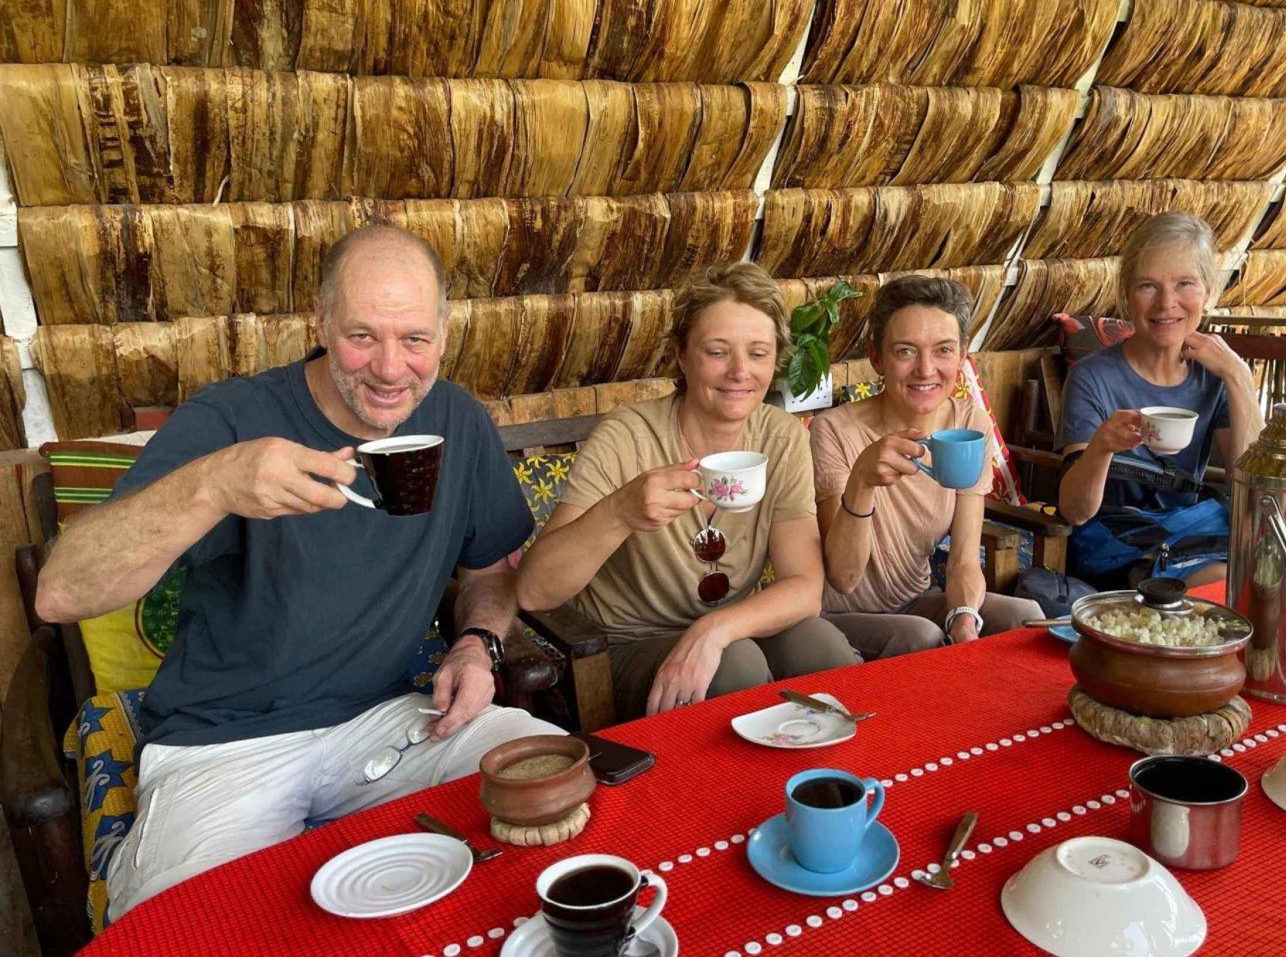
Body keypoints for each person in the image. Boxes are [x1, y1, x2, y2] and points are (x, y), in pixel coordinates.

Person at [34, 226, 561, 921]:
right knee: (185, 930)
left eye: (415, 339)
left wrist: (476, 644)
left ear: (444, 331)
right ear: (318, 321)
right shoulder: (232, 419)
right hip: (224, 741)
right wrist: (218, 483)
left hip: (394, 720)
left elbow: (492, 569)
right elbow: (61, 590)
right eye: (362, 336)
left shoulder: (458, 420)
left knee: (558, 781)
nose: (391, 368)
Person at [516, 263, 859, 719]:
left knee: (819, 646)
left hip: (732, 632)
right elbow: (535, 591)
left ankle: (833, 784)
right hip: (627, 647)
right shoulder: (627, 437)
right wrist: (619, 512)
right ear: (682, 355)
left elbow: (804, 587)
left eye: (758, 354)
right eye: (718, 352)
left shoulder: (782, 437)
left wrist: (714, 630)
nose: (740, 372)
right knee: (736, 666)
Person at [811, 275, 1043, 657]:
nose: (925, 369)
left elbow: (965, 559)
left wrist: (964, 618)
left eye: (943, 350)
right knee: (920, 638)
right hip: (844, 614)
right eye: (905, 351)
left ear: (962, 354)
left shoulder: (970, 427)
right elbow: (844, 577)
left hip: (919, 600)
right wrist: (862, 481)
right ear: (877, 357)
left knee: (1025, 616)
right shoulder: (834, 429)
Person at [1056, 212, 1265, 587]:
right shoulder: (1092, 377)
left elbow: (1257, 490)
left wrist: (1239, 377)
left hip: (1194, 534)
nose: (1167, 303)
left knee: (1276, 562)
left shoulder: (1213, 377)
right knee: (1235, 581)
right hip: (1116, 545)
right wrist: (1101, 447)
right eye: (1148, 286)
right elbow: (1074, 511)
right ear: (1126, 296)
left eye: (1185, 283)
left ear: (1209, 292)